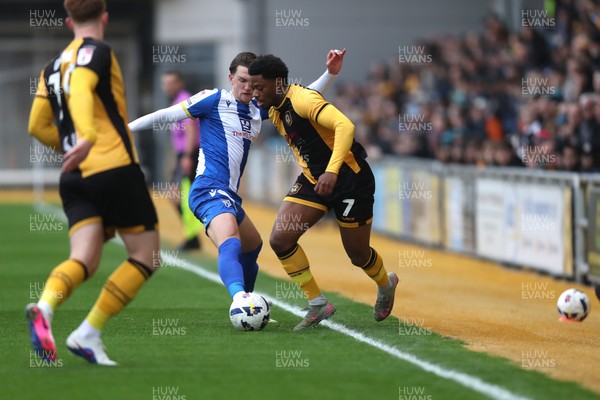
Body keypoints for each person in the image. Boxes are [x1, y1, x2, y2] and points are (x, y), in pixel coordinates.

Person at [128, 49, 344, 306]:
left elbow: (301, 96)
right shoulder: (213, 99)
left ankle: (248, 303)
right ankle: (240, 300)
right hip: (208, 190)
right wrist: (124, 130)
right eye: (242, 80)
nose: (247, 87)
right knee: (230, 241)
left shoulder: (257, 109)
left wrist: (330, 73)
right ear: (230, 78)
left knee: (252, 246)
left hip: (228, 195)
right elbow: (165, 115)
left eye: (253, 84)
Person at [25, 0, 160, 365]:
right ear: (104, 17)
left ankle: (45, 308)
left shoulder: (51, 67)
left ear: (69, 21)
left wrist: (68, 148)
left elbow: (36, 126)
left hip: (73, 177)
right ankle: (88, 333)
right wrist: (86, 138)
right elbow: (83, 87)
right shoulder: (98, 51)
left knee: (84, 257)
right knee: (146, 255)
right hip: (112, 166)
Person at [249, 54, 399, 331]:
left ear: (278, 83)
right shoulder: (273, 107)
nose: (255, 93)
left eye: (259, 87)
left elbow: (346, 126)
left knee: (358, 254)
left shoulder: (303, 100)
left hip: (350, 179)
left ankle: (386, 285)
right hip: (314, 181)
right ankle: (317, 303)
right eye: (252, 87)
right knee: (281, 240)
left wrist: (332, 171)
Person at [160, 71, 203, 251]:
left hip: (190, 153)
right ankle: (192, 236)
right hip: (183, 154)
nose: (167, 87)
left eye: (171, 83)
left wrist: (186, 156)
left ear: (180, 83)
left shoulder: (183, 99)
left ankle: (195, 236)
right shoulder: (175, 101)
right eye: (165, 83)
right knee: (179, 194)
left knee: (184, 195)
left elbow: (191, 129)